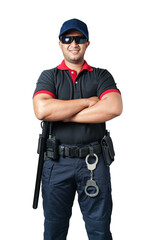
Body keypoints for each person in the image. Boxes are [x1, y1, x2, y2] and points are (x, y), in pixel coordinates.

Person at [33, 18, 123, 240]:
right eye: (68, 39)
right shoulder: (49, 76)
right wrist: (87, 102)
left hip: (93, 162)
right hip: (56, 163)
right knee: (54, 231)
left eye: (79, 39)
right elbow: (42, 110)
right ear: (60, 43)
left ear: (87, 43)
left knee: (99, 230)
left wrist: (62, 114)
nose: (73, 43)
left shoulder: (101, 75)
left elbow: (113, 107)